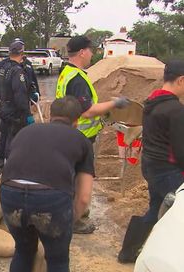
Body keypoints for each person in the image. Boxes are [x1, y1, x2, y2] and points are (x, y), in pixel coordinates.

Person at [0, 96, 95, 272]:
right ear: (77, 120)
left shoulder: (26, 131)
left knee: (23, 250)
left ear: (51, 115)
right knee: (57, 259)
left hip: (10, 193)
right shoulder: (81, 140)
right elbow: (84, 197)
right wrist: (69, 219)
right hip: (50, 198)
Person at [55, 35, 129, 234]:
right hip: (81, 136)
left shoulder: (67, 73)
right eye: (90, 50)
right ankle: (75, 220)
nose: (92, 54)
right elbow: (86, 110)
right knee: (79, 178)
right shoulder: (77, 78)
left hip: (69, 133)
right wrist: (115, 104)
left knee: (70, 177)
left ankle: (71, 214)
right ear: (82, 52)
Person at [118, 59, 184, 263]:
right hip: (169, 171)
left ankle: (128, 252)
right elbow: (181, 150)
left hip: (152, 166)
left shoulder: (152, 102)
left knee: (156, 209)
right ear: (181, 80)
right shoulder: (176, 110)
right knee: (176, 214)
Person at [0, 38, 38, 168]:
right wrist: (27, 114)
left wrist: (3, 96)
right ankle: (11, 165)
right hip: (15, 110)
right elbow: (20, 94)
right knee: (13, 136)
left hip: (5, 106)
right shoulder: (17, 70)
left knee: (6, 133)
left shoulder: (4, 66)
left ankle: (3, 160)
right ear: (21, 53)